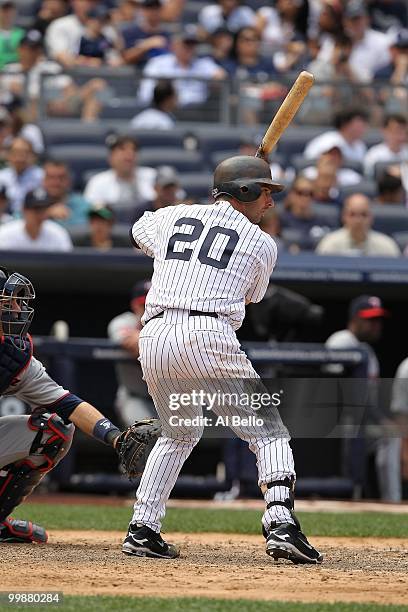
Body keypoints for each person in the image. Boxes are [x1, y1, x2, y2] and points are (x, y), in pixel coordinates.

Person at [123, 154, 323, 564]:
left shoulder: (172, 216)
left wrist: (192, 218)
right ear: (245, 191)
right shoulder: (262, 243)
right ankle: (281, 523)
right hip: (206, 334)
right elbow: (253, 296)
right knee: (269, 432)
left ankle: (143, 528)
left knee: (178, 433)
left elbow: (137, 229)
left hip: (155, 336)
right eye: (264, 191)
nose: (270, 201)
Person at [0, 266, 160, 543]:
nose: (16, 308)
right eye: (7, 302)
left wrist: (116, 439)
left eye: (15, 300)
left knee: (54, 431)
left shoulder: (12, 354)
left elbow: (68, 404)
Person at [326, 296, 401, 501]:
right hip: (334, 420)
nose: (376, 325)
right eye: (370, 319)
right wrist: (381, 420)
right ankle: (356, 493)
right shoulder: (341, 341)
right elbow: (336, 391)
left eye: (378, 320)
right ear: (355, 319)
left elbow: (367, 397)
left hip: (359, 421)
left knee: (389, 436)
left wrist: (381, 420)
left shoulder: (368, 351)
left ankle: (390, 499)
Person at [107, 281, 156, 427]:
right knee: (143, 434)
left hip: (171, 399)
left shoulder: (174, 323)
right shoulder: (123, 321)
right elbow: (131, 343)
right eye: (144, 305)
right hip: (136, 397)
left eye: (153, 304)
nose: (149, 310)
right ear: (135, 305)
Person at [138, 29, 226, 108]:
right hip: (165, 110)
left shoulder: (203, 64)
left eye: (193, 44)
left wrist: (217, 81)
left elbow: (222, 77)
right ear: (174, 45)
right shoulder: (158, 63)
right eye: (186, 44)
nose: (190, 48)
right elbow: (145, 94)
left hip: (196, 113)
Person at [83, 134, 156, 217]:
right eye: (122, 149)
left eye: (134, 150)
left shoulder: (153, 176)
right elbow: (92, 212)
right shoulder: (98, 182)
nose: (129, 154)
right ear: (111, 157)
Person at [315, 193, 401, 257]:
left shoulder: (386, 246)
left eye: (363, 215)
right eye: (352, 214)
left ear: (371, 218)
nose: (358, 220)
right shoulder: (329, 245)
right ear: (344, 217)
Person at [0, 188, 73, 252]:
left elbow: (68, 264)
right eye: (36, 210)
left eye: (43, 210)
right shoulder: (5, 233)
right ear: (24, 210)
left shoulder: (58, 233)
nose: (40, 215)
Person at [304, 108, 369, 164]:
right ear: (345, 124)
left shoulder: (360, 145)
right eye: (358, 124)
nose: (362, 128)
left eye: (364, 124)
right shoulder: (328, 142)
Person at [0, 137, 43, 215]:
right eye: (16, 152)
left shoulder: (41, 176)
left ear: (33, 156)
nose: (20, 157)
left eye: (25, 152)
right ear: (8, 155)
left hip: (32, 219)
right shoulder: (1, 176)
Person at [41, 159, 90, 227]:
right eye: (51, 178)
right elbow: (22, 222)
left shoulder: (81, 204)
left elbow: (86, 227)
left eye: (61, 178)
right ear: (43, 181)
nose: (56, 183)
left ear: (69, 181)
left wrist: (67, 218)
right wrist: (46, 214)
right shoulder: (33, 201)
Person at [121, 0, 170, 67]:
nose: (154, 12)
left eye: (156, 9)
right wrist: (147, 45)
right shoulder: (130, 32)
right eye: (149, 8)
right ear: (142, 11)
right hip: (137, 72)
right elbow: (125, 58)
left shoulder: (166, 35)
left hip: (161, 72)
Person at [364, 114, 408, 178]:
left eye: (404, 132)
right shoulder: (374, 155)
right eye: (396, 131)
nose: (401, 137)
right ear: (384, 131)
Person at [0, 0, 24, 70]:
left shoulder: (22, 33)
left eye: (11, 11)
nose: (8, 14)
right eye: (5, 11)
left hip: (19, 71)